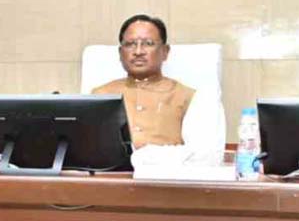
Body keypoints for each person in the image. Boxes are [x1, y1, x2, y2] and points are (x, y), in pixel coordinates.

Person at [91, 14, 223, 161]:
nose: (138, 51)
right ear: (120, 53)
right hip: (111, 173)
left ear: (165, 52)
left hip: (165, 173)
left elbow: (201, 153)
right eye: (130, 44)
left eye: (148, 43)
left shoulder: (188, 97)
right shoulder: (100, 95)